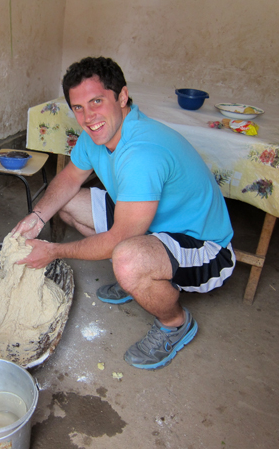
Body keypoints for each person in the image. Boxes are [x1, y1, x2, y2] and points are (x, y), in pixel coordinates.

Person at [12, 57, 235, 370]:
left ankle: (175, 323)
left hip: (202, 245)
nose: (88, 118)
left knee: (127, 258)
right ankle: (138, 276)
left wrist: (52, 251)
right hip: (149, 223)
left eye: (97, 102)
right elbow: (70, 178)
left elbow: (121, 236)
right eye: (78, 107)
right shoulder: (98, 135)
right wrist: (36, 218)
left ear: (121, 96)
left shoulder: (142, 152)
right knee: (64, 204)